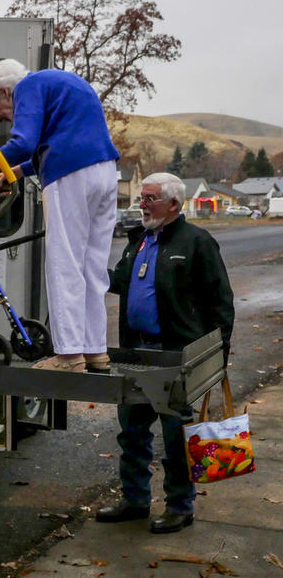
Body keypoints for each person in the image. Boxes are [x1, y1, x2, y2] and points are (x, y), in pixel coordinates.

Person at [0, 59, 120, 371]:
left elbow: (24, 143)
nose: (1, 117)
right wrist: (15, 171)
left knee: (64, 262)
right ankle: (95, 350)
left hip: (70, 175)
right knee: (92, 266)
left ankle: (70, 356)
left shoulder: (27, 87)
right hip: (105, 172)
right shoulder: (65, 82)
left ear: (5, 91)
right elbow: (61, 143)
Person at [97, 172, 234, 534]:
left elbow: (220, 303)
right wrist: (86, 268)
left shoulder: (197, 242)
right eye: (142, 197)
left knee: (176, 437)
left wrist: (218, 356)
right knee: (132, 433)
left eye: (150, 198)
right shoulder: (139, 241)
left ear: (174, 204)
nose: (142, 204)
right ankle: (135, 500)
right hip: (136, 354)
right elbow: (122, 282)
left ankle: (179, 506)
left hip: (175, 357)